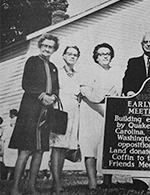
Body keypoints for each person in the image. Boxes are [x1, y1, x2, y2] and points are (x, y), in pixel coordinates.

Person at [9, 34, 60, 195]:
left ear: (54, 49)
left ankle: (31, 186)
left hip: (46, 112)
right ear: (40, 46)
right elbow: (26, 84)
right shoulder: (32, 61)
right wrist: (42, 95)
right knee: (26, 149)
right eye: (44, 45)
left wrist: (53, 97)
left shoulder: (53, 67)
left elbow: (56, 87)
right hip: (30, 111)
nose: (47, 48)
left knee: (40, 150)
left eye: (50, 46)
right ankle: (15, 188)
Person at [79, 43, 120, 190]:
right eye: (101, 54)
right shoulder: (90, 70)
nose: (105, 57)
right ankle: (92, 181)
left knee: (108, 145)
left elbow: (117, 93)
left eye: (108, 53)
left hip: (109, 109)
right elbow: (85, 93)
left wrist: (109, 110)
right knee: (91, 145)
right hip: (91, 110)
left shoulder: (116, 72)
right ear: (96, 57)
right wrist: (100, 109)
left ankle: (107, 180)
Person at [49, 46, 81, 194]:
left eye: (75, 55)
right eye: (69, 54)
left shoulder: (78, 75)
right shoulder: (57, 72)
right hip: (60, 111)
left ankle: (57, 180)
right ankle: (56, 184)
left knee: (64, 148)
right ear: (63, 56)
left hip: (74, 111)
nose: (72, 57)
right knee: (57, 147)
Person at [2, 109, 19, 180]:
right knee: (8, 164)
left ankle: (14, 177)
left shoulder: (17, 129)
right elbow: (2, 140)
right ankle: (8, 177)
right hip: (8, 147)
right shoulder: (7, 128)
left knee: (15, 162)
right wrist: (2, 149)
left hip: (14, 147)